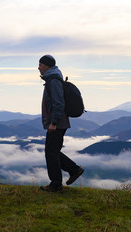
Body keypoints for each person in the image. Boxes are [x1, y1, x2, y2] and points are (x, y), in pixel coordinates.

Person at [38, 54, 84, 192]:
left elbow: (58, 103)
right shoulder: (53, 79)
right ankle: (74, 170)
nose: (38, 68)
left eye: (40, 65)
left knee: (50, 153)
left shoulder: (53, 81)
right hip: (59, 122)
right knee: (53, 151)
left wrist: (54, 122)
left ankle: (56, 184)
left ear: (46, 66)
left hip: (57, 123)